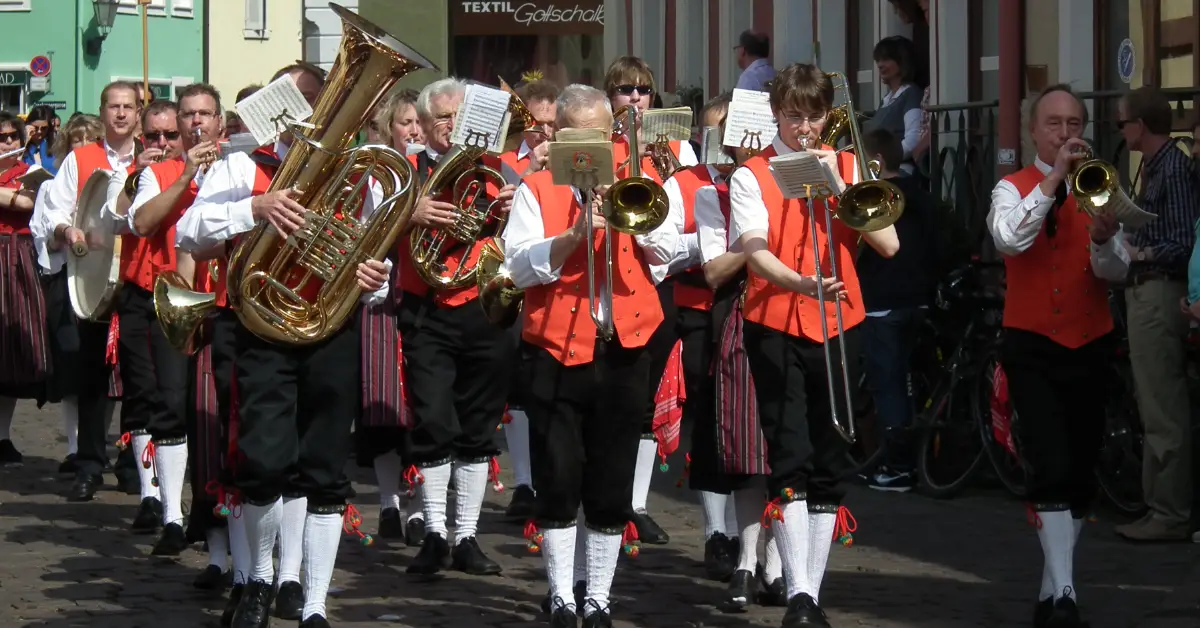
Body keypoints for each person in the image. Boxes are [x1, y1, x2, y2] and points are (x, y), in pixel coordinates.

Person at [175, 62, 389, 628]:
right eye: (297, 101)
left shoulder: (358, 171)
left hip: (330, 330)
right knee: (263, 462)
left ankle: (313, 600)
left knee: (323, 468)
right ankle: (260, 580)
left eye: (323, 101)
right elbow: (190, 233)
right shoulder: (245, 163)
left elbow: (373, 255)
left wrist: (374, 278)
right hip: (260, 330)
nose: (312, 113)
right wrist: (255, 208)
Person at [505, 82, 680, 628]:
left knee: (611, 479)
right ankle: (560, 595)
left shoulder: (641, 180)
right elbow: (517, 266)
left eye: (596, 137)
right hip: (556, 346)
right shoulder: (535, 187)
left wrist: (634, 219)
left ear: (612, 135)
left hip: (624, 347)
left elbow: (668, 254)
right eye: (573, 136)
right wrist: (573, 237)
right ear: (556, 135)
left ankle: (598, 597)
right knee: (558, 476)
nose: (586, 148)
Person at [730, 63, 899, 627]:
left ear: (829, 116)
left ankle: (813, 591)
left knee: (831, 456)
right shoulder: (752, 173)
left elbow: (889, 244)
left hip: (838, 322)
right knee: (790, 451)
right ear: (777, 112)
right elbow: (754, 248)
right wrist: (800, 283)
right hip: (775, 319)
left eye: (815, 116)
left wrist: (843, 184)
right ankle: (797, 592)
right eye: (794, 115)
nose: (805, 127)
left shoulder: (848, 165)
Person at [987, 83, 1131, 628]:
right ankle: (1066, 593)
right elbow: (1009, 239)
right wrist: (1051, 182)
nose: (1067, 134)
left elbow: (1117, 272)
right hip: (1030, 341)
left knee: (1080, 466)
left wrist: (1102, 238)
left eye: (1075, 124)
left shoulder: (1101, 188)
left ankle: (1053, 591)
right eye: (1055, 124)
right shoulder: (1012, 187)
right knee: (1047, 461)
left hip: (1090, 337)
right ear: (1033, 131)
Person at [396, 77, 517, 577]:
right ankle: (434, 534)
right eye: (441, 117)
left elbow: (520, 245)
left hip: (483, 306)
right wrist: (410, 211)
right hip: (427, 308)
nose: (450, 125)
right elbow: (366, 231)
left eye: (457, 115)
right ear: (422, 126)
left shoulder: (496, 169)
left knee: (477, 425)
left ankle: (466, 535)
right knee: (433, 421)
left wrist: (513, 212)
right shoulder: (404, 172)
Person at [603, 55, 700, 545]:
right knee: (611, 396)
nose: (635, 98)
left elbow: (691, 220)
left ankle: (635, 503)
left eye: (643, 90)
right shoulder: (599, 144)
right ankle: (605, 496)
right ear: (609, 97)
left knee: (642, 398)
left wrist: (677, 171)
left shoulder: (678, 149)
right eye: (624, 90)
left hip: (657, 280)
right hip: (609, 280)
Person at [125, 84, 224, 565]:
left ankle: (216, 514)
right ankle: (170, 516)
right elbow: (142, 223)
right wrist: (186, 175)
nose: (196, 123)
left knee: (220, 411)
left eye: (205, 114)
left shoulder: (237, 166)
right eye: (188, 115)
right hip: (173, 302)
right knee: (170, 406)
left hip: (226, 303)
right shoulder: (158, 171)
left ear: (220, 120)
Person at [37, 81, 140, 504]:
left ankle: (135, 465)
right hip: (92, 278)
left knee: (139, 377)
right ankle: (89, 464)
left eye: (128, 106)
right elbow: (55, 211)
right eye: (113, 106)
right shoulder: (82, 158)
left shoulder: (153, 158)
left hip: (138, 275)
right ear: (103, 111)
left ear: (138, 112)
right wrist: (66, 230)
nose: (120, 114)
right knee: (93, 376)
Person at [1113, 86, 1200, 544]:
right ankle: (1158, 506)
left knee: (1164, 407)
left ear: (1140, 126)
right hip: (1145, 291)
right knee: (1153, 404)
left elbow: (1184, 242)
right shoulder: (1154, 165)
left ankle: (1170, 511)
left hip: (1160, 292)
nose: (1120, 130)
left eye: (1122, 122)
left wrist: (1139, 250)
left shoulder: (1173, 169)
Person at [107, 98, 188, 536]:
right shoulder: (135, 173)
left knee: (172, 396)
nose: (161, 143)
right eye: (152, 135)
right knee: (140, 393)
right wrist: (136, 172)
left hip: (179, 292)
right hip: (139, 290)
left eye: (169, 135)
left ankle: (174, 504)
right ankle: (150, 496)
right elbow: (115, 217)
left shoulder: (196, 170)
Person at [359, 87, 426, 548]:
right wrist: (407, 213)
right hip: (382, 293)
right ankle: (387, 503)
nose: (416, 130)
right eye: (406, 123)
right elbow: (364, 227)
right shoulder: (376, 169)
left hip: (423, 290)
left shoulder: (435, 168)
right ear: (390, 127)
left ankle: (422, 508)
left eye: (420, 122)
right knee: (384, 407)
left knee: (422, 407)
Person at [858, 128, 939, 491]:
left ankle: (898, 465)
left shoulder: (873, 197)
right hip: (917, 297)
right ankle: (916, 458)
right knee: (908, 382)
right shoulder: (917, 193)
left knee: (889, 385)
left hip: (882, 301)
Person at [498, 77, 560, 521]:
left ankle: (549, 475)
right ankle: (522, 481)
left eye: (553, 124)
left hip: (556, 285)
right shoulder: (501, 162)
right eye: (535, 125)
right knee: (518, 387)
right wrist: (528, 174)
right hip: (511, 278)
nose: (545, 134)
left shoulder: (572, 162)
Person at [33, 114, 106, 474]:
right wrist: (65, 232)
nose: (82, 146)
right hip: (66, 277)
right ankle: (76, 447)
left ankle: (108, 445)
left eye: (90, 139)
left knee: (108, 369)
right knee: (72, 361)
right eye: (76, 140)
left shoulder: (110, 180)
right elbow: (43, 239)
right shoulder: (52, 188)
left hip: (106, 280)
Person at [0, 112, 48, 466]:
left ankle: (2, 436)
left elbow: (28, 203)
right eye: (1, 138)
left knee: (11, 354)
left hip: (14, 256)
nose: (6, 144)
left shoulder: (29, 171)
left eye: (11, 138)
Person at [862, 37, 925, 175]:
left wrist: (887, 161)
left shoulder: (911, 93)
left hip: (898, 172)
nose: (880, 64)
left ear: (902, 62)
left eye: (886, 59)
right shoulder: (887, 99)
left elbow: (913, 139)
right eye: (878, 60)